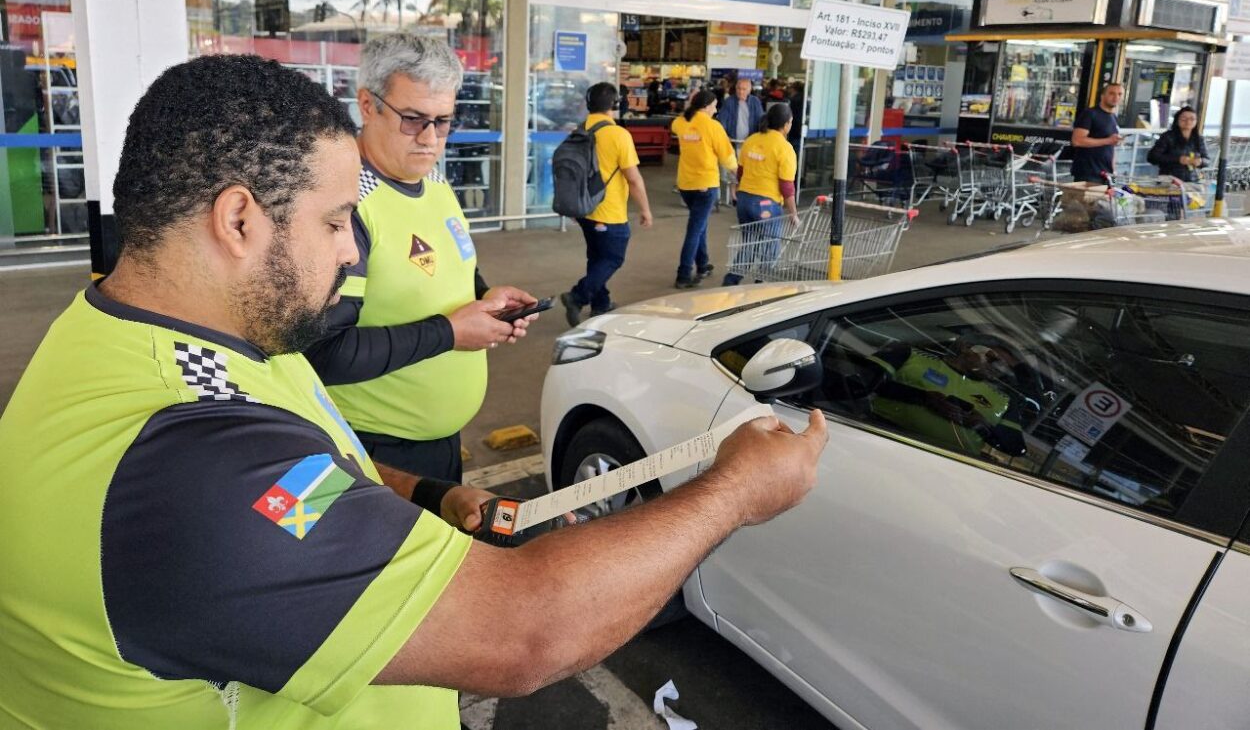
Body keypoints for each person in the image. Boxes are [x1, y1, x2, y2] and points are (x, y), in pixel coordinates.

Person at [0, 53, 830, 728]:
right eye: (333, 224)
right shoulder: (191, 467)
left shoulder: (191, 338)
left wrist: (427, 495)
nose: (354, 254)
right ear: (240, 219)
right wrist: (736, 489)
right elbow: (528, 631)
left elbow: (319, 460)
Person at [304, 34, 538, 487]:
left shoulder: (435, 186)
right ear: (368, 105)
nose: (430, 139)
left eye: (443, 121)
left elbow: (456, 272)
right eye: (413, 120)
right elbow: (323, 352)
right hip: (371, 453)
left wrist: (487, 298)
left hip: (442, 442)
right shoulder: (345, 205)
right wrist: (450, 333)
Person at [559, 82, 653, 326]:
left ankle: (601, 304)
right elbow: (633, 179)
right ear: (615, 105)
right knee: (613, 258)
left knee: (597, 257)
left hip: (584, 209)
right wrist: (645, 209)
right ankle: (577, 297)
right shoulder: (618, 134)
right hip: (608, 212)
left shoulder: (580, 129)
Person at [849, 334, 1030, 459]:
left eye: (1007, 368)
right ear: (966, 347)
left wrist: (983, 426)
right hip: (881, 442)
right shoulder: (909, 355)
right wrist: (923, 398)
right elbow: (857, 386)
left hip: (951, 467)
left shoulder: (1004, 401)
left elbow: (1015, 447)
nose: (999, 369)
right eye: (993, 358)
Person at [723, 102, 799, 286]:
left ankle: (730, 283)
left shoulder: (751, 140)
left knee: (749, 243)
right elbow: (786, 186)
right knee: (770, 247)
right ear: (787, 124)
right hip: (766, 205)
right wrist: (794, 214)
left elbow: (740, 172)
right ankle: (762, 286)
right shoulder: (785, 148)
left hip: (744, 201)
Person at [671, 89, 736, 288]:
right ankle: (683, 274)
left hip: (685, 184)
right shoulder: (712, 126)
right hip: (705, 185)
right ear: (706, 106)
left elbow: (675, 125)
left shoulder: (682, 122)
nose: (715, 110)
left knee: (700, 225)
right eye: (714, 106)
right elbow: (726, 156)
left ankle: (702, 264)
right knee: (695, 228)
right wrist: (738, 174)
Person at [1070, 83, 1124, 184]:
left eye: (1120, 94)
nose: (1116, 97)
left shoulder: (1113, 117)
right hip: (1088, 173)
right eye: (1112, 93)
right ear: (1102, 96)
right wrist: (1108, 140)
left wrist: (1113, 170)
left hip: (1105, 174)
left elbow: (1111, 147)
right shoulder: (1090, 114)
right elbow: (1077, 140)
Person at [1147, 106, 1209, 182]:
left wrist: (1200, 161)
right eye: (1184, 118)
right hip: (1169, 180)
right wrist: (1178, 159)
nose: (1188, 121)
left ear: (1196, 122)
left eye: (1192, 119)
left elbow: (1207, 160)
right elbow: (1152, 157)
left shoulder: (1199, 139)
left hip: (1192, 181)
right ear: (1177, 120)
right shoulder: (1168, 137)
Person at [717, 76, 765, 148]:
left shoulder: (755, 102)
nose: (740, 91)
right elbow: (722, 121)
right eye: (738, 88)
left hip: (751, 142)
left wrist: (756, 137)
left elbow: (761, 122)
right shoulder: (728, 102)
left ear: (749, 90)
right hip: (732, 141)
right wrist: (725, 136)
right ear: (735, 88)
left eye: (744, 89)